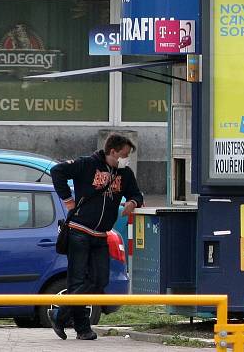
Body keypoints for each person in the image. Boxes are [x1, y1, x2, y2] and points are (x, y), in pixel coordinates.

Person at [49, 133, 144, 340]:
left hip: (101, 235)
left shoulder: (125, 174)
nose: (126, 159)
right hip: (79, 231)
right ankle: (83, 328)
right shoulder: (87, 164)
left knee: (99, 280)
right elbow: (57, 171)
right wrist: (67, 200)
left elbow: (137, 194)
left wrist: (133, 202)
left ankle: (60, 314)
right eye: (124, 155)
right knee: (77, 280)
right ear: (112, 151)